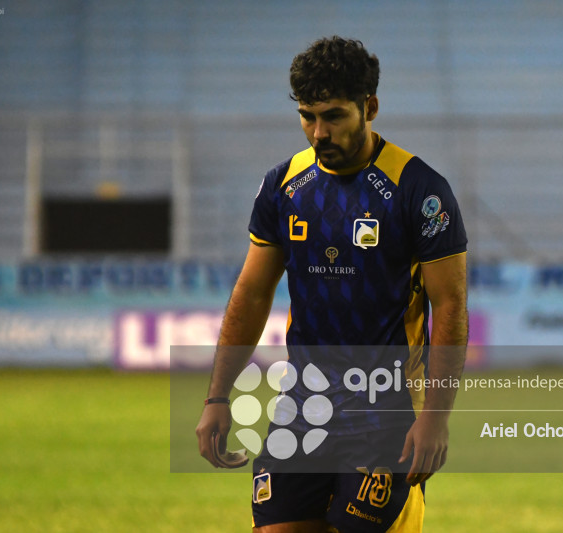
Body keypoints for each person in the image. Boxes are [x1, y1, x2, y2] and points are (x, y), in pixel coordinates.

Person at [196, 36, 468, 533]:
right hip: (302, 407)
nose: (318, 132)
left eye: (334, 117)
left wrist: (435, 417)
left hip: (387, 412)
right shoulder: (283, 186)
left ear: (371, 107)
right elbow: (252, 294)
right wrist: (217, 397)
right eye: (307, 116)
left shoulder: (419, 191)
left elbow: (449, 307)